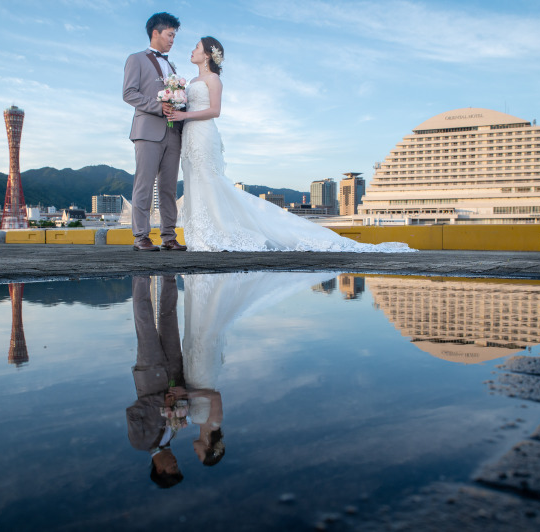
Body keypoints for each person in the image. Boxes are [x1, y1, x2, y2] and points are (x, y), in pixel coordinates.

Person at [166, 38, 415, 252]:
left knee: (210, 181)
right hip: (189, 134)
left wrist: (184, 115)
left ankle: (218, 235)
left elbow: (215, 111)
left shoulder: (213, 80)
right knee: (194, 181)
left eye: (196, 47)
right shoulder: (191, 81)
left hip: (203, 133)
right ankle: (200, 237)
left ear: (208, 54)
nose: (192, 50)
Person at [122, 12, 187, 252]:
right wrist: (157, 107)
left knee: (169, 188)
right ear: (156, 33)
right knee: (144, 184)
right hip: (148, 130)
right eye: (170, 34)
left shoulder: (171, 65)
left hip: (173, 132)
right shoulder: (136, 59)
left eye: (174, 35)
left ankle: (169, 236)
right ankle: (141, 236)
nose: (172, 39)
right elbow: (129, 93)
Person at [126, 276, 187, 488]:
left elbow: (133, 412)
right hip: (173, 372)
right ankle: (168, 275)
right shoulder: (174, 433)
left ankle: (142, 275)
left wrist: (162, 402)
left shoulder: (140, 442)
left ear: (159, 469)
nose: (175, 463)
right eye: (177, 466)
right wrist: (180, 396)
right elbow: (178, 402)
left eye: (172, 468)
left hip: (150, 373)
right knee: (170, 317)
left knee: (144, 320)